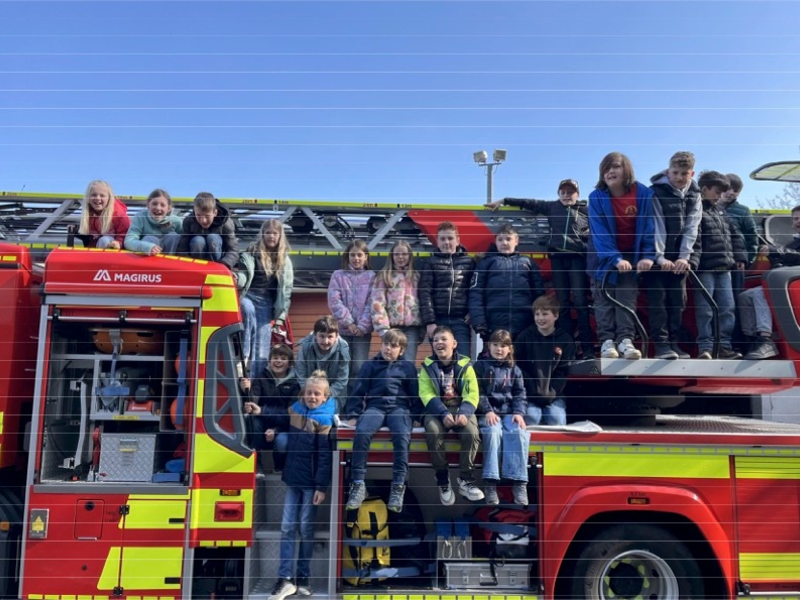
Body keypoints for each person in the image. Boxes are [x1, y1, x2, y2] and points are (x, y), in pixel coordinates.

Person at [487, 179, 593, 355]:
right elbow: (528, 203)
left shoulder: (587, 211)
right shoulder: (552, 207)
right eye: (563, 192)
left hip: (577, 260)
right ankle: (568, 349)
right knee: (563, 305)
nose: (567, 195)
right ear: (559, 194)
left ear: (578, 194)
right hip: (558, 259)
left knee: (581, 303)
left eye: (571, 192)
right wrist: (504, 200)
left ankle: (588, 349)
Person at [267, 370, 335, 600]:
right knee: (287, 528)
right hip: (293, 480)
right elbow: (277, 416)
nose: (312, 397)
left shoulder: (325, 420)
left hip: (311, 485)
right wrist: (262, 415)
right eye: (308, 393)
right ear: (303, 394)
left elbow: (325, 457)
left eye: (317, 394)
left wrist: (321, 488)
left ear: (325, 397)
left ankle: (303, 578)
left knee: (306, 530)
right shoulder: (295, 410)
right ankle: (286, 579)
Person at [589, 152, 657, 360]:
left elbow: (649, 226)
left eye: (615, 167)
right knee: (603, 300)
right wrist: (615, 259)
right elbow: (599, 232)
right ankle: (607, 342)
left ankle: (625, 340)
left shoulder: (642, 193)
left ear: (626, 169)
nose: (610, 172)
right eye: (605, 169)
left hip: (631, 257)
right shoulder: (596, 197)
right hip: (603, 257)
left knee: (626, 298)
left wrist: (648, 256)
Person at [344, 329, 421, 513]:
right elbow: (358, 390)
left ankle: (398, 486)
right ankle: (358, 484)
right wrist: (354, 414)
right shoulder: (370, 365)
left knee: (402, 435)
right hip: (375, 407)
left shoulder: (408, 367)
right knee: (362, 433)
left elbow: (415, 395)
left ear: (401, 350)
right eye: (386, 344)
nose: (388, 348)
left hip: (399, 408)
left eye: (393, 346)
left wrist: (417, 416)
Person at [645, 151, 702, 359]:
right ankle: (661, 345)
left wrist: (684, 257)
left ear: (692, 173)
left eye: (684, 173)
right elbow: (656, 226)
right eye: (675, 172)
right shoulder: (655, 192)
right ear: (668, 171)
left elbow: (692, 227)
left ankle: (674, 343)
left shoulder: (695, 196)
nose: (679, 177)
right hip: (657, 258)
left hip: (679, 260)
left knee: (678, 301)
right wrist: (660, 258)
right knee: (658, 301)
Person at [419, 326, 483, 505]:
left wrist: (465, 412)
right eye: (436, 340)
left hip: (461, 407)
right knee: (432, 431)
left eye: (443, 339)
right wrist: (442, 413)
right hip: (437, 409)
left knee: (471, 433)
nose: (439, 343)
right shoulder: (427, 366)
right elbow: (426, 394)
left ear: (454, 344)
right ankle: (442, 478)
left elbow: (473, 393)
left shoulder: (466, 365)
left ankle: (465, 479)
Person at [689, 171, 747, 360]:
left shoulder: (721, 211)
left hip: (725, 269)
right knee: (705, 309)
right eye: (717, 191)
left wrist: (740, 257)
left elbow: (735, 234)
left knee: (727, 308)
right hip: (704, 269)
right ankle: (705, 347)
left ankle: (723, 346)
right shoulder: (696, 210)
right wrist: (693, 264)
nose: (720, 195)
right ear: (704, 189)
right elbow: (694, 239)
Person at [474, 329, 530, 506]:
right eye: (495, 345)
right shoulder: (480, 366)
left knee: (519, 433)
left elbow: (520, 393)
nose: (499, 349)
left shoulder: (514, 369)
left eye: (503, 346)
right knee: (492, 432)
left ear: (510, 349)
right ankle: (490, 482)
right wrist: (487, 410)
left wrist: (519, 413)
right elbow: (477, 392)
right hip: (488, 412)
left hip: (508, 412)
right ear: (489, 346)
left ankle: (519, 482)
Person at [736, 205, 800, 359]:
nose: (797, 222)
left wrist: (775, 251)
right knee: (744, 296)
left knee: (761, 293)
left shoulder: (789, 247)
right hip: (791, 288)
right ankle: (752, 339)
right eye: (795, 219)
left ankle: (766, 339)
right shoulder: (791, 244)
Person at [469, 224, 545, 342]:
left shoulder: (528, 263)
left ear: (516, 241)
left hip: (524, 325)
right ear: (495, 242)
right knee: (493, 360)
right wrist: (479, 322)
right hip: (494, 326)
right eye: (500, 239)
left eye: (508, 239)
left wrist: (539, 321)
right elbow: (475, 294)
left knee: (523, 360)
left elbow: (539, 295)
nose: (504, 243)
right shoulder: (486, 263)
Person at [238, 219, 294, 377]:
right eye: (268, 232)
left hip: (266, 303)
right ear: (263, 234)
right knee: (247, 309)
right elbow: (244, 273)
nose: (271, 236)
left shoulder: (284, 260)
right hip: (249, 295)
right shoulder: (252, 251)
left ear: (280, 236)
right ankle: (244, 357)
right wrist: (237, 279)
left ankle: (255, 386)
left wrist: (280, 318)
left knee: (262, 347)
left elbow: (286, 291)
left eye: (274, 233)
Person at [515, 295, 575, 426]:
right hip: (529, 395)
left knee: (556, 420)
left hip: (553, 396)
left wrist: (551, 394)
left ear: (556, 315)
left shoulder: (565, 340)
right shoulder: (524, 337)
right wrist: (532, 391)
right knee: (531, 418)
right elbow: (518, 368)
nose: (540, 318)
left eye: (545, 314)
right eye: (537, 314)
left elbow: (563, 372)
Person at [239, 343, 300, 472]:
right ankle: (257, 465)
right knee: (252, 422)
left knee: (283, 442)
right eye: (275, 358)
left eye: (283, 359)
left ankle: (279, 469)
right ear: (269, 361)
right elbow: (253, 401)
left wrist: (275, 429)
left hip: (283, 426)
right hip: (262, 425)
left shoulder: (295, 384)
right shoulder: (261, 378)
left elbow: (290, 414)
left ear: (290, 364)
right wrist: (246, 391)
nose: (278, 361)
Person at [418, 222, 476, 358]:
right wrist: (430, 322)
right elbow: (425, 293)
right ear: (437, 242)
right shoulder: (431, 263)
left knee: (462, 360)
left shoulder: (469, 262)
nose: (447, 242)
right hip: (438, 321)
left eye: (450, 238)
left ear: (458, 240)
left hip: (461, 321)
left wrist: (472, 312)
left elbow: (474, 290)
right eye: (443, 239)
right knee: (441, 361)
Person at [720, 173, 761, 351]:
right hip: (715, 262)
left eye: (735, 191)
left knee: (734, 303)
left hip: (736, 265)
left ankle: (737, 343)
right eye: (728, 189)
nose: (731, 193)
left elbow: (752, 239)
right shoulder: (707, 207)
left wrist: (747, 259)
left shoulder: (742, 211)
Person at [328, 240, 376, 392]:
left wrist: (362, 326)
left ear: (366, 257)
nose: (356, 258)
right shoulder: (338, 275)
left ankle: (355, 403)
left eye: (359, 255)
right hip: (342, 331)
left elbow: (373, 302)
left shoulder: (371, 276)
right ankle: (341, 402)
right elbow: (334, 301)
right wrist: (349, 323)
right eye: (353, 255)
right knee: (343, 366)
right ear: (347, 257)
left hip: (362, 332)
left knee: (358, 366)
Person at [370, 241, 424, 364]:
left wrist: (422, 329)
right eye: (397, 254)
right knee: (390, 360)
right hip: (391, 327)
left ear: (410, 256)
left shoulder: (416, 277)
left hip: (412, 328)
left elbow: (423, 303)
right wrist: (383, 328)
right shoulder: (384, 276)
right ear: (392, 256)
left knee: (408, 362)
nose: (400, 257)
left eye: (404, 254)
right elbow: (377, 303)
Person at [295, 316, 350, 411]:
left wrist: (324, 396)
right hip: (309, 393)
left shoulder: (343, 349)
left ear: (336, 336)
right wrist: (310, 395)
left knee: (323, 413)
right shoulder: (305, 347)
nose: (325, 341)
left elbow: (342, 380)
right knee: (298, 411)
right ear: (315, 335)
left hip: (333, 395)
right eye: (322, 336)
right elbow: (301, 374)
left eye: (330, 337)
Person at [177, 192, 239, 270]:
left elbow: (233, 249)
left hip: (219, 262)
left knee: (212, 238)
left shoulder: (226, 223)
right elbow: (182, 249)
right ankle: (198, 268)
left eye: (207, 216)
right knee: (198, 241)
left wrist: (224, 264)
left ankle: (214, 268)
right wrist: (188, 263)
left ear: (215, 213)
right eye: (198, 215)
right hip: (195, 261)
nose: (203, 220)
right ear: (194, 211)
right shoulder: (189, 221)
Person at [123, 188, 182, 256]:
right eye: (154, 204)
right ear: (148, 205)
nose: (158, 208)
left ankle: (168, 264)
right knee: (150, 238)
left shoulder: (176, 221)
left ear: (168, 208)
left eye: (162, 205)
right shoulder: (140, 217)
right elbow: (128, 241)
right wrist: (146, 247)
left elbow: (184, 242)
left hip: (170, 257)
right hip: (148, 258)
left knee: (173, 236)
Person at [76, 179, 130, 249]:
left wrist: (118, 243)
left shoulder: (119, 215)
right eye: (94, 195)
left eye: (102, 196)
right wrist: (75, 228)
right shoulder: (90, 214)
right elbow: (92, 237)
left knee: (104, 240)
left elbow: (126, 234)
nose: (98, 198)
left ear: (109, 198)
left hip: (117, 250)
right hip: (98, 249)